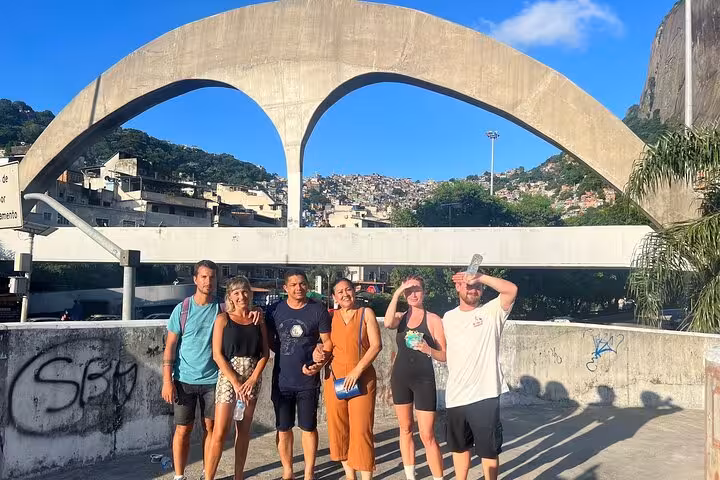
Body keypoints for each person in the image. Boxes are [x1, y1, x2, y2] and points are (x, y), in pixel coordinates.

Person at [161, 260, 262, 480]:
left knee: (211, 428)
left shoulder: (221, 308)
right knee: (183, 430)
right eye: (204, 277)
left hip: (213, 380)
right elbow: (170, 347)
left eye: (212, 277)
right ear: (196, 279)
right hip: (183, 379)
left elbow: (241, 309)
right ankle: (179, 475)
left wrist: (256, 311)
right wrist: (167, 381)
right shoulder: (183, 309)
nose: (208, 281)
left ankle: (208, 473)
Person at [443, 270, 518, 480]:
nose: (473, 290)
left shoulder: (492, 312)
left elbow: (511, 290)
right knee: (459, 448)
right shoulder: (448, 318)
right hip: (456, 395)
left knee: (489, 450)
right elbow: (446, 353)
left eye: (477, 287)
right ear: (458, 287)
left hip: (485, 395)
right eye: (468, 286)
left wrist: (478, 277)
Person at [266, 270, 333, 480]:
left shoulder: (318, 309)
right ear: (285, 288)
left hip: (308, 381)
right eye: (293, 284)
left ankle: (308, 472)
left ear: (308, 285)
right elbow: (266, 339)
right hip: (282, 380)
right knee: (283, 429)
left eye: (302, 283)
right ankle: (288, 471)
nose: (298, 288)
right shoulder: (274, 310)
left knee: (308, 427)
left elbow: (328, 342)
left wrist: (319, 363)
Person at [205, 276, 269, 480]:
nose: (241, 296)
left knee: (243, 431)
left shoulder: (258, 319)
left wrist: (252, 380)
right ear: (230, 296)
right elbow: (217, 354)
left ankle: (239, 476)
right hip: (228, 378)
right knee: (220, 432)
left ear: (250, 294)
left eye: (244, 291)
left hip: (252, 379)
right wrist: (235, 381)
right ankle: (209, 476)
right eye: (236, 292)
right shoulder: (223, 319)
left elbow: (265, 354)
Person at [384, 275, 446, 480]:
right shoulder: (400, 318)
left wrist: (428, 349)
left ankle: (438, 477)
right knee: (405, 429)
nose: (413, 294)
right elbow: (387, 323)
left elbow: (445, 355)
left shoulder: (434, 320)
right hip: (400, 378)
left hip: (424, 380)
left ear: (424, 292)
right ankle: (410, 476)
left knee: (427, 435)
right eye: (408, 291)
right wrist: (395, 293)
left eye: (416, 289)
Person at [323, 278, 382, 480]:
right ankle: (350, 476)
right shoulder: (330, 317)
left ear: (354, 291)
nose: (344, 294)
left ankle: (366, 477)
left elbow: (376, 346)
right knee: (339, 429)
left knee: (362, 430)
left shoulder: (366, 313)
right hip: (336, 379)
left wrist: (357, 371)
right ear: (334, 297)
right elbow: (325, 345)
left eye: (348, 289)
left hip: (361, 378)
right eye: (339, 292)